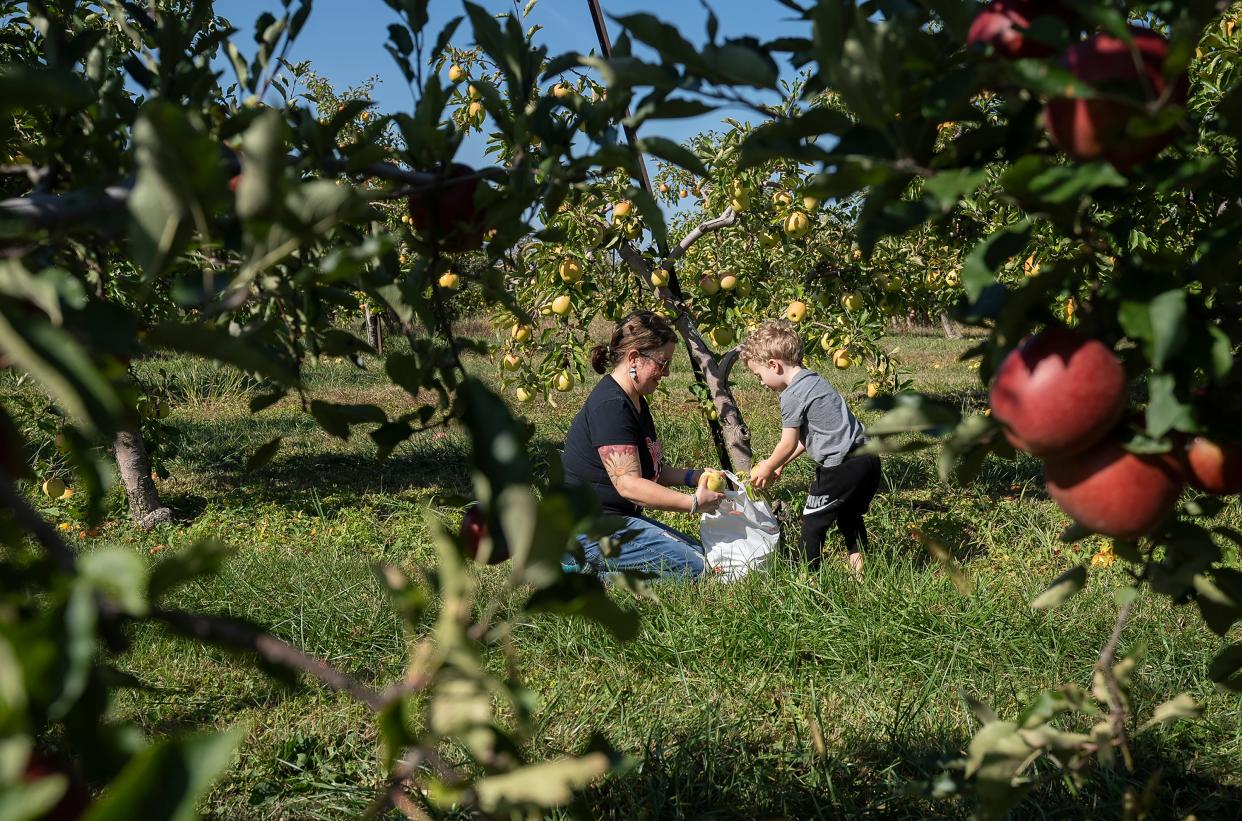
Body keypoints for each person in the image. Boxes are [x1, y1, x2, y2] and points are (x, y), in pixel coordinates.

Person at [561, 311, 725, 578]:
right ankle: (580, 574)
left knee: (702, 556)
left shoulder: (636, 401)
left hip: (615, 521)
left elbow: (651, 471)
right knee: (697, 570)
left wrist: (693, 477)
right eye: (663, 363)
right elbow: (629, 485)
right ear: (634, 358)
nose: (667, 373)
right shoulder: (611, 406)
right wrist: (694, 503)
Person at [740, 319, 882, 575]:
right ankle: (859, 571)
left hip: (842, 465)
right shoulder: (815, 381)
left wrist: (767, 465)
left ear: (774, 365)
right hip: (868, 458)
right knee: (848, 515)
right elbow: (811, 438)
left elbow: (789, 441)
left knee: (813, 521)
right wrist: (782, 464)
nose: (760, 382)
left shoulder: (791, 395)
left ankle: (808, 578)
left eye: (759, 375)